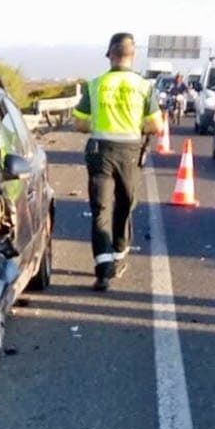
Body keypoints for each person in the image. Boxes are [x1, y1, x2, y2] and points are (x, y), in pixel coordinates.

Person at [72, 32, 164, 291]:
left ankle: (103, 273)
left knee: (100, 210)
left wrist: (99, 124)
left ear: (110, 55)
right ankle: (119, 254)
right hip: (129, 153)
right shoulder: (144, 86)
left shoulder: (96, 84)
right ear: (133, 56)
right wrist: (135, 127)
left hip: (100, 152)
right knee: (125, 204)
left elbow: (79, 123)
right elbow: (156, 124)